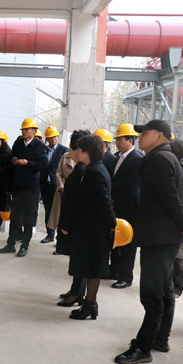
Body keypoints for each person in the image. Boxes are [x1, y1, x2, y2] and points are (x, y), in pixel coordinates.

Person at [115, 119, 183, 364]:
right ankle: (160, 338)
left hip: (159, 237)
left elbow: (170, 197)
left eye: (145, 132)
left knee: (152, 294)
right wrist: (182, 224)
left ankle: (144, 348)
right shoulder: (164, 157)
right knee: (163, 291)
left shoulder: (160, 159)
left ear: (160, 135)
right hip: (163, 236)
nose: (140, 136)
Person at [60, 135, 116, 320]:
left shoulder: (94, 173)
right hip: (91, 228)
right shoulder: (96, 168)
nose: (76, 152)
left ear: (86, 153)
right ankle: (89, 304)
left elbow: (104, 203)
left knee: (92, 269)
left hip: (93, 230)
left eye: (79, 150)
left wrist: (113, 224)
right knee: (91, 267)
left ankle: (90, 304)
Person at [0, 118, 48, 257]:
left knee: (28, 219)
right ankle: (10, 244)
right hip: (18, 186)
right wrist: (14, 161)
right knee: (15, 217)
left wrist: (28, 163)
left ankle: (24, 246)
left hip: (31, 187)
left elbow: (44, 164)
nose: (24, 132)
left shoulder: (40, 146)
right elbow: (11, 158)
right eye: (23, 130)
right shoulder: (18, 143)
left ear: (34, 131)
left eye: (27, 129)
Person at [56, 129, 91, 307]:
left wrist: (67, 224)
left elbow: (76, 200)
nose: (68, 150)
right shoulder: (79, 167)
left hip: (78, 223)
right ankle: (75, 290)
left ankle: (78, 294)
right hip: (73, 220)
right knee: (76, 258)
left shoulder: (83, 170)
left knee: (79, 259)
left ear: (79, 150)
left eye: (70, 147)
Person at [108, 123, 143, 289]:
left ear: (131, 140)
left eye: (120, 139)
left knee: (128, 243)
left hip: (129, 207)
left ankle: (126, 276)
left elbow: (130, 183)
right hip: (117, 206)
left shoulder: (137, 159)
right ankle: (114, 271)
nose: (117, 142)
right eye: (117, 139)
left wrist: (108, 188)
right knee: (116, 238)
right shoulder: (118, 157)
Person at [169, 139, 183, 298]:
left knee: (178, 252)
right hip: (178, 214)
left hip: (181, 215)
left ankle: (177, 288)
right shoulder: (180, 163)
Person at [40, 126, 68, 244]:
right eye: (50, 137)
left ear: (58, 137)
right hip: (45, 184)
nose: (53, 139)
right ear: (47, 139)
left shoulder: (64, 150)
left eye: (55, 137)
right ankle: (50, 234)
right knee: (48, 210)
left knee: (59, 211)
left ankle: (60, 236)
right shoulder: (43, 150)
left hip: (57, 185)